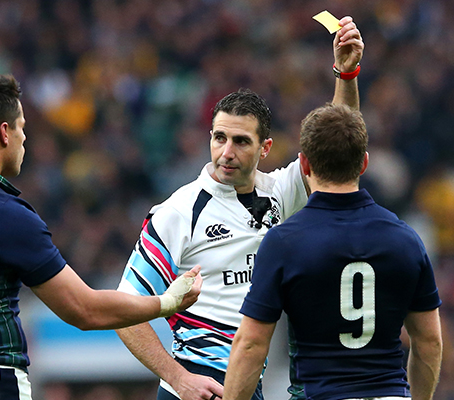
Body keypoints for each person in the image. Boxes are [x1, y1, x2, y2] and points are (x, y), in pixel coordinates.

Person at [0, 74, 202, 400]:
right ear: (4, 132)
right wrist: (165, 303)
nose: (25, 138)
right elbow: (83, 309)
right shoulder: (4, 212)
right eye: (22, 127)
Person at [114, 17, 364, 400]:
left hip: (247, 383)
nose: (226, 153)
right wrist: (178, 378)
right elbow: (125, 311)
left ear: (265, 148)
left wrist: (346, 76)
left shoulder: (279, 191)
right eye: (219, 138)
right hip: (199, 384)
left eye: (241, 142)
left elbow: (338, 143)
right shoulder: (179, 210)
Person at [222, 104, 443, 400]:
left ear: (304, 165)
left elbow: (250, 344)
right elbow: (429, 342)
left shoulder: (284, 241)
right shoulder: (406, 239)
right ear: (363, 164)